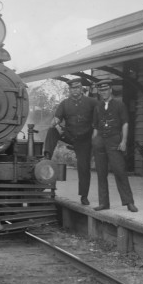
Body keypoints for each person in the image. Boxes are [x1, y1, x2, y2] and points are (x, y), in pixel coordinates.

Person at [43, 77, 98, 206]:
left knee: (84, 167)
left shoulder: (91, 102)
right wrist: (56, 124)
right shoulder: (64, 104)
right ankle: (46, 156)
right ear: (69, 90)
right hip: (69, 135)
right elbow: (56, 118)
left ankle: (84, 196)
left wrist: (95, 133)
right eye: (72, 88)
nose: (75, 90)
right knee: (52, 130)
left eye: (77, 88)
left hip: (84, 139)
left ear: (81, 89)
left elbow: (101, 116)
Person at [91, 79, 138, 212]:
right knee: (101, 173)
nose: (103, 93)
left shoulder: (119, 105)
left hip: (114, 141)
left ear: (110, 90)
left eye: (105, 90)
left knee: (120, 171)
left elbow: (125, 124)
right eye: (101, 91)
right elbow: (95, 126)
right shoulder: (97, 107)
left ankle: (129, 202)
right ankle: (104, 203)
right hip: (100, 142)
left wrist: (123, 141)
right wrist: (94, 142)